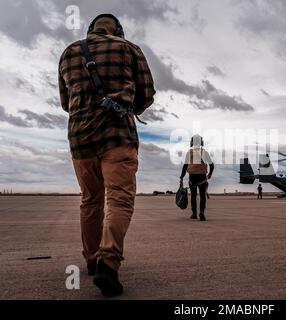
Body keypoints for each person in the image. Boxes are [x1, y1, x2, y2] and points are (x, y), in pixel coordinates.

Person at [58, 14, 155, 296]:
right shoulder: (129, 48)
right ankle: (108, 262)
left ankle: (90, 259)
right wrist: (125, 105)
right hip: (117, 137)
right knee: (119, 199)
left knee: (90, 199)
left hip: (80, 139)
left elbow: (66, 103)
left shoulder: (69, 52)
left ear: (91, 29)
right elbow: (147, 93)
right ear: (118, 30)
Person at [180, 135, 214, 221]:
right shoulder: (205, 153)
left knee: (193, 196)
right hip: (202, 176)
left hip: (192, 177)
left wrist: (182, 176)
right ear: (201, 142)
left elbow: (185, 166)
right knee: (202, 196)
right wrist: (210, 173)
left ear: (192, 142)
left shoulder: (189, 153)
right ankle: (202, 212)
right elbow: (211, 165)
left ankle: (194, 214)